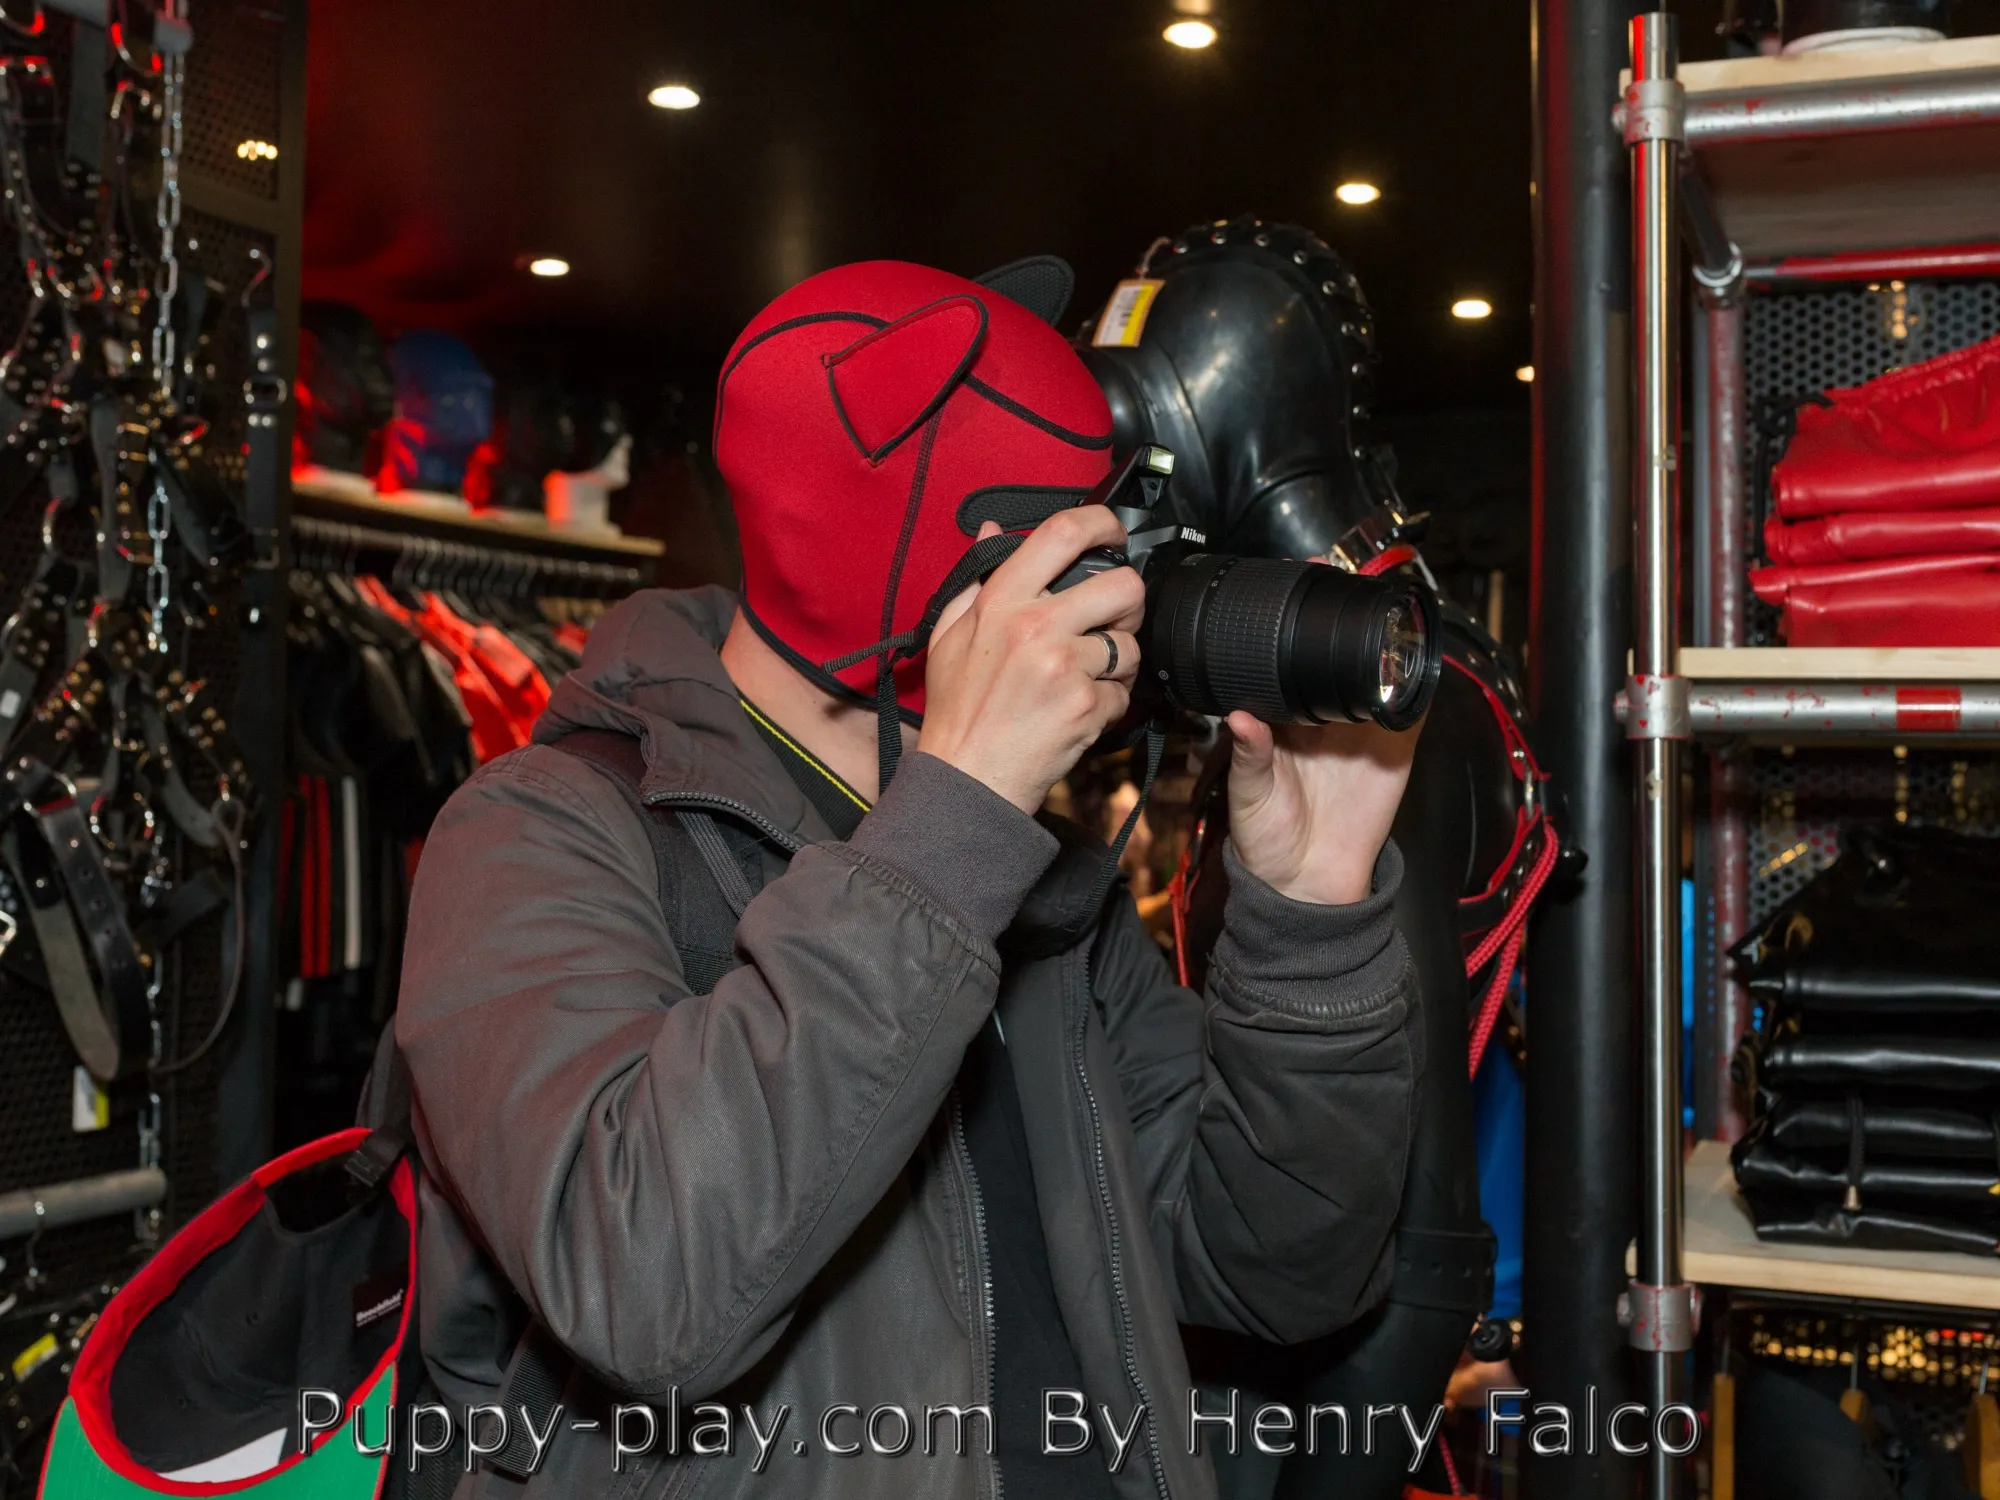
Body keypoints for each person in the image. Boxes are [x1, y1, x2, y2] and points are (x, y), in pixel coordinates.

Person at [392, 258, 1425, 1500]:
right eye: (1070, 554)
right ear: (932, 572)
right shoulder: (536, 832)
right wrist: (957, 816)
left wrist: (1308, 921)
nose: (1116, 602)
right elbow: (648, 1293)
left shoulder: (1044, 889)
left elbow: (1276, 1274)